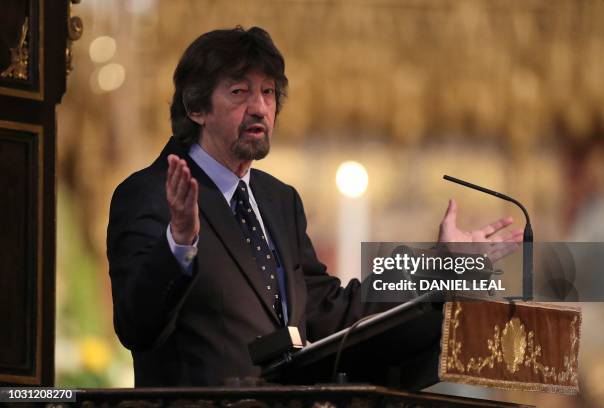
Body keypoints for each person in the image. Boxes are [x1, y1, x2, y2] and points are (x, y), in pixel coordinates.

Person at [106, 26, 523, 387]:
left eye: (268, 93)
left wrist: (443, 266)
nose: (260, 107)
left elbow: (332, 314)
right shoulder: (148, 194)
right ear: (196, 107)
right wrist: (179, 243)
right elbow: (136, 326)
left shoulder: (277, 201)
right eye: (239, 92)